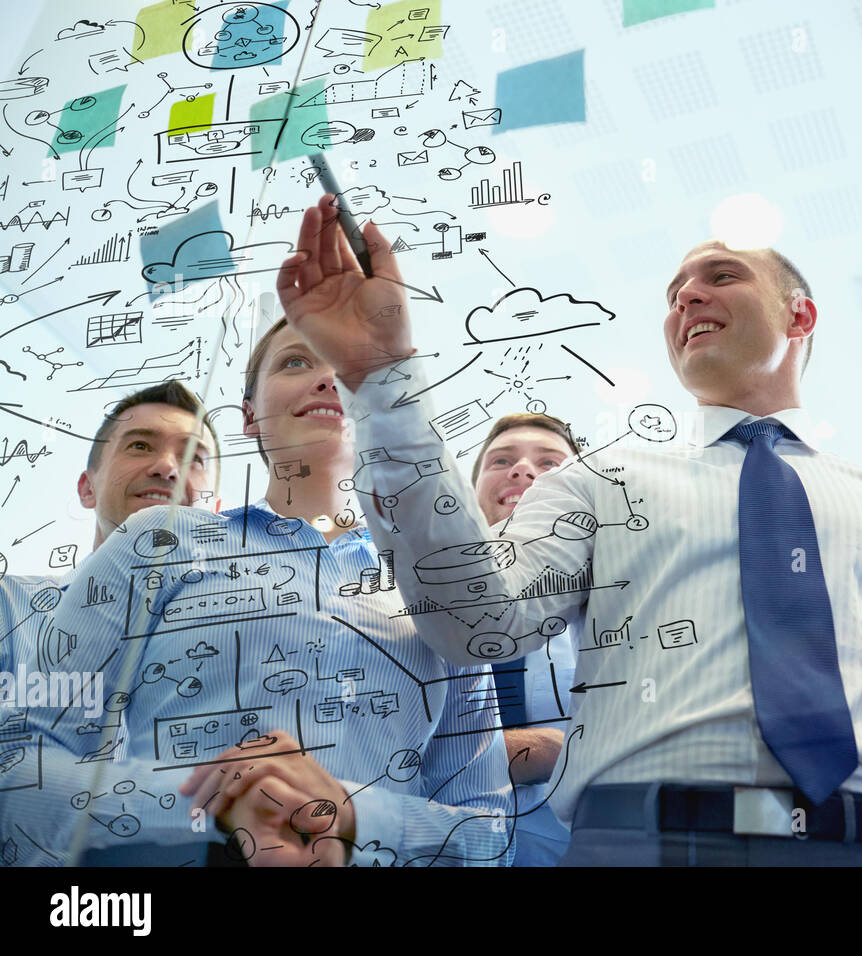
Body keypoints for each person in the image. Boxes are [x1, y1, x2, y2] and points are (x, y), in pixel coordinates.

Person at [274, 194, 862, 866]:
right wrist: (382, 379)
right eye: (674, 293)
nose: (686, 298)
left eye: (720, 276)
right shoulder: (595, 482)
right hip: (637, 841)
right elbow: (476, 623)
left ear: (800, 313)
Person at [0, 320, 512, 866]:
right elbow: (18, 764)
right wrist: (218, 811)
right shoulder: (155, 541)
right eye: (297, 361)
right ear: (249, 415)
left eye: (351, 368)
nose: (327, 379)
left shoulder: (444, 592)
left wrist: (353, 818)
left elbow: (491, 833)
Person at [1, 382, 222, 681]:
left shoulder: (238, 649)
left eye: (194, 458)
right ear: (87, 488)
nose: (167, 467)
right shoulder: (8, 608)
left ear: (216, 512)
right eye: (140, 446)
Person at [470, 412, 581, 866]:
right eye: (501, 461)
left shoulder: (622, 609)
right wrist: (543, 749)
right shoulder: (399, 603)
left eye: (550, 463)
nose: (522, 470)